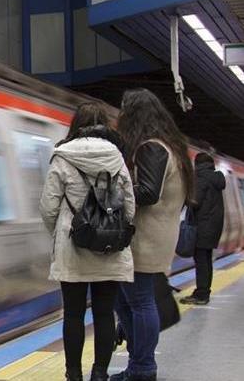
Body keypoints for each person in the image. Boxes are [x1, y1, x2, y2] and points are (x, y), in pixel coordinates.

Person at [40, 102, 136, 381]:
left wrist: (61, 234)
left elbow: (48, 207)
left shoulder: (62, 157)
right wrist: (115, 231)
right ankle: (100, 374)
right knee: (105, 314)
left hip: (73, 247)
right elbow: (129, 206)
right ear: (105, 125)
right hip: (109, 249)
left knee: (73, 314)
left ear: (75, 126)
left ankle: (74, 375)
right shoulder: (117, 158)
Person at [111, 89, 195, 381]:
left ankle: (143, 367)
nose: (120, 117)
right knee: (126, 302)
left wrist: (112, 194)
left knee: (139, 302)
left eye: (123, 111)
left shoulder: (151, 148)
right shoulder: (170, 147)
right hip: (156, 235)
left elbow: (147, 192)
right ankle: (138, 364)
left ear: (134, 115)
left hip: (145, 239)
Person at [180, 152, 225, 305]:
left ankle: (201, 295)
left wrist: (184, 197)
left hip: (202, 226)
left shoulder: (201, 178)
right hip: (213, 227)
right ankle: (204, 292)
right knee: (206, 260)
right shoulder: (215, 178)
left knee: (201, 261)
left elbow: (194, 201)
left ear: (196, 164)